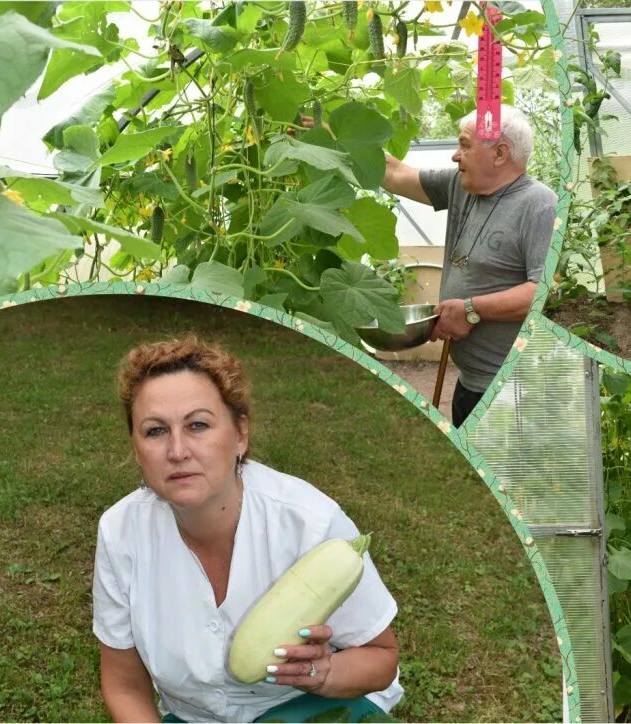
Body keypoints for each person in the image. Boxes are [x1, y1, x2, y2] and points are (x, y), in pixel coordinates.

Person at [93, 337, 401, 723]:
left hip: (313, 709)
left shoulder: (310, 522)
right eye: (155, 431)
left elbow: (382, 659)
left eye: (198, 425)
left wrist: (326, 674)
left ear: (240, 434)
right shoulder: (120, 533)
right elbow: (125, 686)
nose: (177, 451)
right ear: (136, 448)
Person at [382, 105, 557, 426]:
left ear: (500, 153)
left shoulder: (539, 205)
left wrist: (471, 309)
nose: (455, 156)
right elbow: (394, 174)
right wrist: (333, 136)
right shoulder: (460, 187)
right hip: (468, 384)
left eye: (464, 144)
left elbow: (541, 293)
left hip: (511, 391)